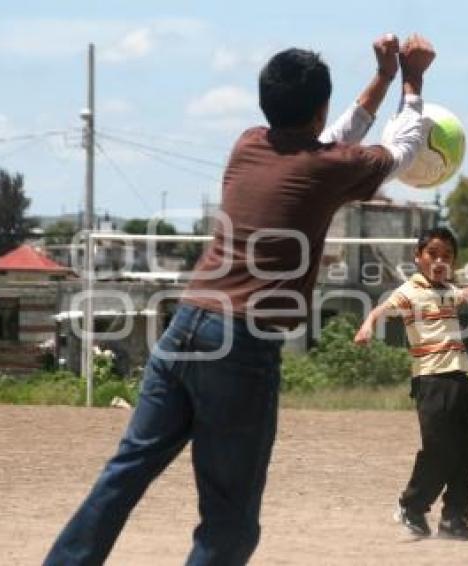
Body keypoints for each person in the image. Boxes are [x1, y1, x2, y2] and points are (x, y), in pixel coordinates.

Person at [44, 33, 436, 565]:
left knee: (125, 473)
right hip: (240, 344)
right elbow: (401, 149)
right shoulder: (326, 169)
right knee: (229, 522)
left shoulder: (249, 143)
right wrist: (412, 81)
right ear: (319, 110)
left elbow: (333, 138)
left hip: (184, 326)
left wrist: (383, 79)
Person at [354, 227, 468, 539]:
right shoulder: (409, 292)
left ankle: (455, 520)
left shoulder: (448, 290)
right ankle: (411, 506)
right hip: (431, 381)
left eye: (447, 256)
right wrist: (368, 326)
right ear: (418, 257)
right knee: (439, 451)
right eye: (433, 254)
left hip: (460, 380)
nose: (440, 261)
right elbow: (381, 309)